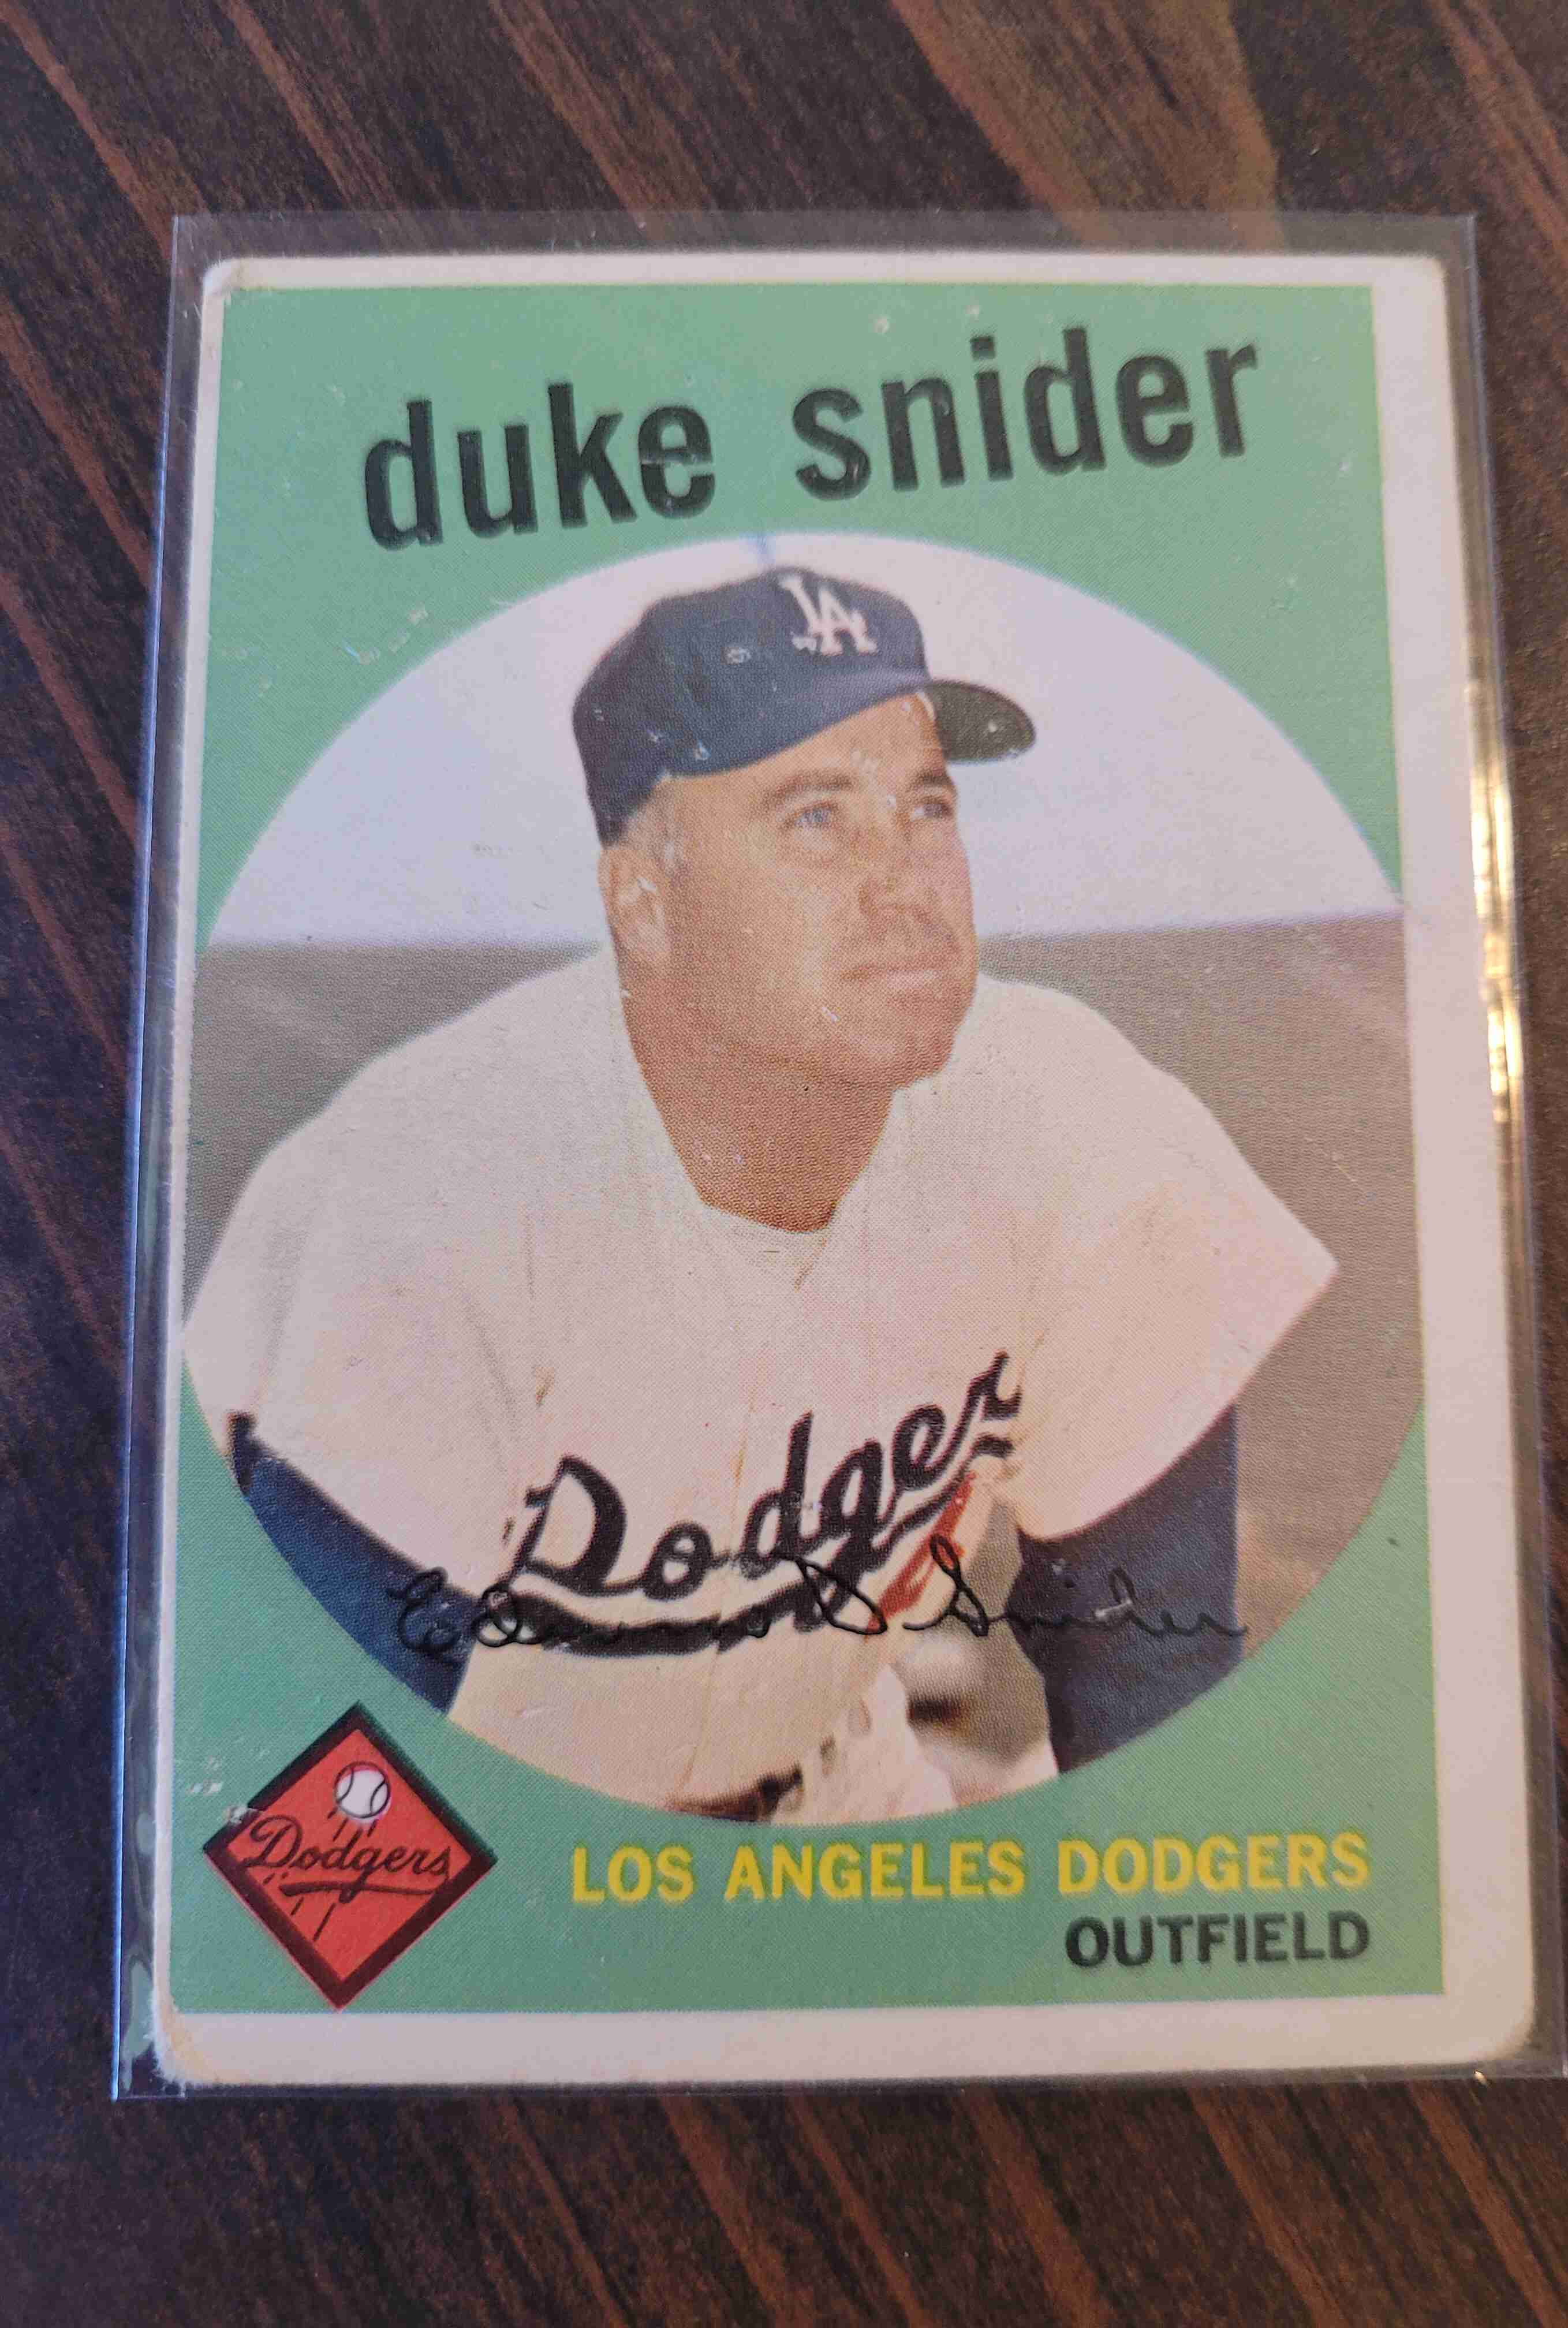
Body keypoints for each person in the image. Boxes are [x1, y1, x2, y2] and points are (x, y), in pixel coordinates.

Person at [186, 564, 1334, 1821]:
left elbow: (1152, 1699)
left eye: (927, 806)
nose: (907, 883)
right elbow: (317, 1820)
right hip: (499, 1837)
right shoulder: (441, 1193)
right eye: (816, 819)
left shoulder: (1070, 1124)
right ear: (644, 905)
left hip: (841, 1784)